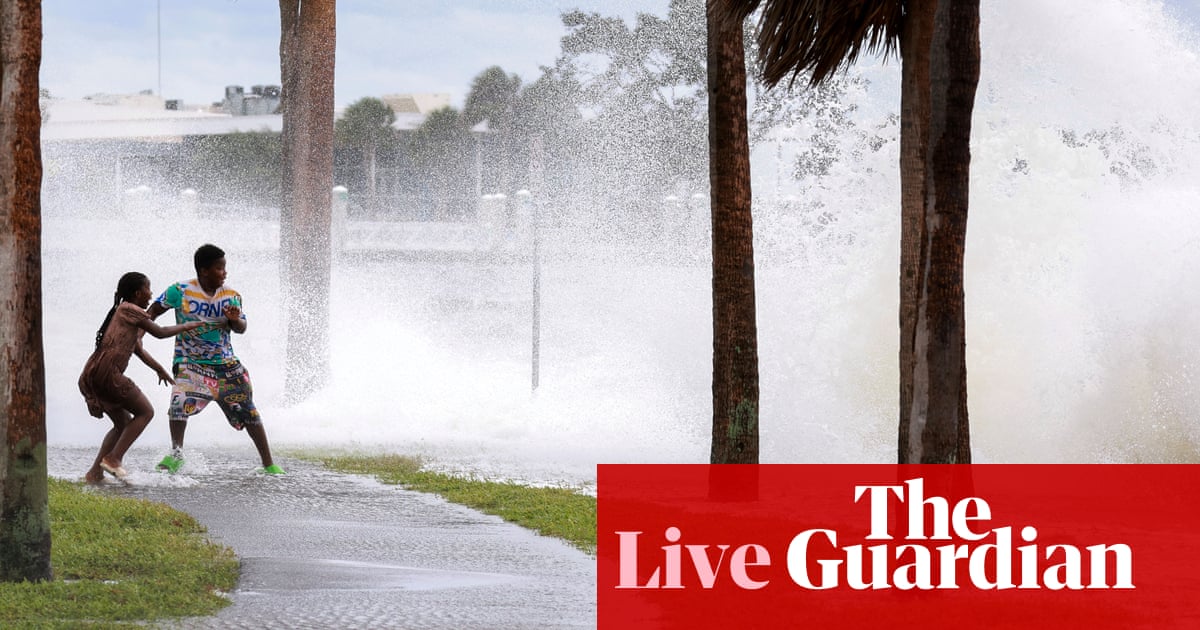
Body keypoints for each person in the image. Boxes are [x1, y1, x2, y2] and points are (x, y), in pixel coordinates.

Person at [148, 243, 285, 475]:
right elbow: (151, 313)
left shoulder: (231, 296)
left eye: (225, 268)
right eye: (220, 268)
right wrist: (137, 333)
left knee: (249, 412)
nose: (225, 273)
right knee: (179, 402)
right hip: (190, 362)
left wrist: (234, 320)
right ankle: (176, 455)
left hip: (226, 365)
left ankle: (268, 464)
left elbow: (241, 328)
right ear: (204, 270)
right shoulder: (179, 291)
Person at [80, 272, 205, 483]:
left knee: (122, 423)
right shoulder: (131, 309)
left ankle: (95, 472)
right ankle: (113, 458)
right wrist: (186, 326)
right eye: (148, 289)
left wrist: (159, 369)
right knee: (146, 412)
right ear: (138, 293)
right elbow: (160, 332)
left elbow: (138, 349)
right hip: (109, 373)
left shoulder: (122, 314)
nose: (151, 293)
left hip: (92, 373)